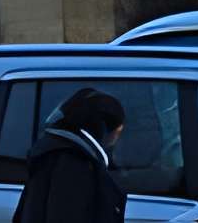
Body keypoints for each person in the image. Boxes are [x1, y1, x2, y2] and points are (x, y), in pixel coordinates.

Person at [14, 89, 129, 223]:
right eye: (118, 132)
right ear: (102, 128)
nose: (116, 139)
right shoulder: (75, 164)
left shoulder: (59, 154)